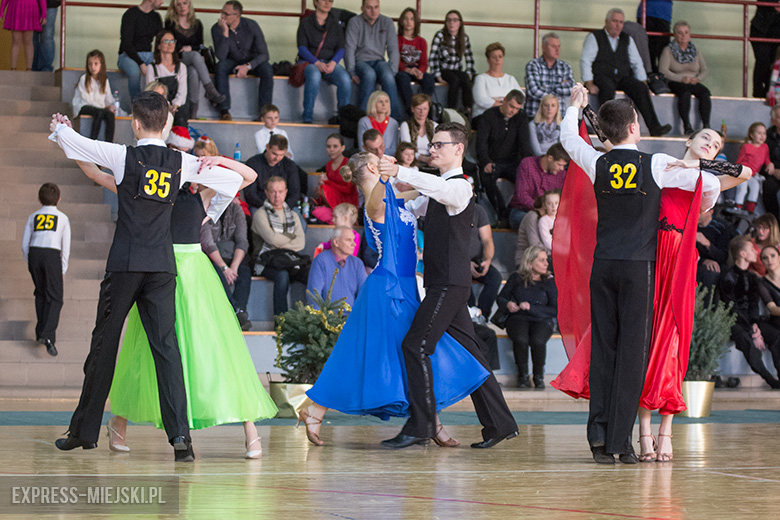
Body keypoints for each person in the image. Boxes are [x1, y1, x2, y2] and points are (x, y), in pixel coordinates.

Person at [48, 91, 252, 461]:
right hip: (162, 266)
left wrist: (60, 128)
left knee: (104, 346)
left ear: (135, 123)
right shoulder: (182, 162)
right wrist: (216, 181)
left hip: (126, 264)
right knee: (167, 350)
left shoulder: (122, 156)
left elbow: (81, 145)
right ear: (165, 125)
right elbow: (239, 180)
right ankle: (181, 439)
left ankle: (83, 432)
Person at [553, 85, 724, 464]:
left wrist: (574, 106)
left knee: (603, 350)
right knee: (632, 355)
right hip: (638, 269)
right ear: (634, 128)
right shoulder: (656, 164)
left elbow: (568, 139)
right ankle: (620, 443)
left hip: (603, 266)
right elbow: (709, 185)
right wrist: (698, 185)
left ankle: (598, 440)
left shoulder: (597, 162)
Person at [76, 161, 273, 459]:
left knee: (215, 347)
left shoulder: (201, 196)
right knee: (145, 350)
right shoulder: (152, 195)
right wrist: (68, 141)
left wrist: (216, 161)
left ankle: (249, 429)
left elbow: (250, 176)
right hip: (159, 272)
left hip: (192, 276)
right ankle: (119, 423)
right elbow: (94, 173)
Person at [302, 151, 490, 447]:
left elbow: (425, 191)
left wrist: (432, 181)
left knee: (413, 354)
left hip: (405, 286)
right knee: (381, 352)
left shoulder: (393, 197)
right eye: (379, 160)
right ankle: (317, 409)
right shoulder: (374, 202)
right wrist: (393, 176)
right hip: (386, 289)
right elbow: (384, 197)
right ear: (373, 167)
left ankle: (430, 422)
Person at [378, 122, 519, 449]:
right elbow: (404, 204)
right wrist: (378, 176)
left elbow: (434, 188)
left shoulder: (461, 187)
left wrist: (400, 170)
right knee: (472, 355)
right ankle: (500, 424)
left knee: (415, 346)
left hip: (449, 284)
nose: (433, 149)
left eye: (440, 144)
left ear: (459, 149)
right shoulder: (436, 190)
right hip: (444, 283)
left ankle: (422, 426)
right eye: (433, 144)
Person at [581, 8, 671, 137]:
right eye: (615, 21)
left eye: (621, 22)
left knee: (640, 88)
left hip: (622, 77)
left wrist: (644, 82)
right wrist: (589, 83)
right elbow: (586, 60)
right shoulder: (595, 37)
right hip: (602, 76)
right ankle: (607, 129)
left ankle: (655, 128)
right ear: (606, 22)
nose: (618, 25)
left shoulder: (627, 39)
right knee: (607, 88)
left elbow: (636, 62)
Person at [719, 236, 780, 389]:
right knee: (746, 340)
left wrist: (754, 324)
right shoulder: (728, 274)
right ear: (743, 254)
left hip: (751, 321)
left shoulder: (752, 277)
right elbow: (731, 306)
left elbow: (753, 304)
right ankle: (770, 379)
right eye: (752, 249)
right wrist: (751, 329)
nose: (756, 252)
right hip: (733, 320)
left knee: (775, 336)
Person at [497, 246, 557, 389]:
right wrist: (508, 304)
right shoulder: (516, 278)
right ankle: (522, 376)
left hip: (542, 319)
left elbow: (555, 309)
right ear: (530, 263)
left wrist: (532, 307)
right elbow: (501, 298)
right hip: (518, 317)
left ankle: (538, 377)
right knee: (521, 339)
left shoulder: (549, 281)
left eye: (546, 260)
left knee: (537, 340)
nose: (546, 263)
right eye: (541, 260)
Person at [21, 182, 70, 357]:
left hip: (34, 253)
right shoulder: (62, 218)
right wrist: (62, 270)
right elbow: (66, 247)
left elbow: (24, 244)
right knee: (55, 298)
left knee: (41, 293)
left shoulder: (33, 216)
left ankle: (40, 331)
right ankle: (48, 336)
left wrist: (30, 262)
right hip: (51, 254)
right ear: (59, 199)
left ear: (39, 199)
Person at [251, 176, 307, 315]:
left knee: (311, 273)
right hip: (265, 261)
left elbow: (301, 242)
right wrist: (291, 236)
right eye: (273, 192)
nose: (277, 196)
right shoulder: (260, 214)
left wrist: (280, 241)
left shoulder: (293, 215)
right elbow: (272, 240)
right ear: (266, 192)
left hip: (289, 260)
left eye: (281, 191)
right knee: (282, 276)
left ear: (286, 192)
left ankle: (310, 318)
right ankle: (281, 320)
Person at [475, 89, 533, 224]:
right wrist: (486, 161)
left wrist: (529, 164)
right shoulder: (488, 116)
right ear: (504, 100)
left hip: (513, 162)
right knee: (487, 177)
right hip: (493, 161)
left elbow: (524, 144)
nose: (513, 111)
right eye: (511, 106)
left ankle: (519, 211)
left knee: (528, 177)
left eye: (517, 109)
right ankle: (503, 214)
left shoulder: (521, 117)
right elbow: (481, 144)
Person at [211, 0, 273, 121]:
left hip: (252, 61)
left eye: (226, 14)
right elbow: (221, 56)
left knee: (267, 69)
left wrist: (248, 66)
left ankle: (264, 113)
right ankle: (224, 111)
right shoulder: (217, 28)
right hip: (231, 61)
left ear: (237, 15)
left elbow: (264, 54)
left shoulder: (251, 25)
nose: (222, 16)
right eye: (221, 12)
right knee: (220, 66)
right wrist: (225, 33)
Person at [164, 0, 225, 119]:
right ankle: (210, 90)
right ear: (174, 7)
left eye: (185, 3)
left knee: (193, 72)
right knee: (195, 56)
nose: (182, 7)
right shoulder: (170, 23)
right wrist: (184, 48)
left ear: (189, 5)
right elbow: (168, 43)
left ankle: (193, 113)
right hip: (176, 57)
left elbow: (199, 45)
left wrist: (190, 48)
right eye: (178, 4)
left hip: (191, 59)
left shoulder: (197, 24)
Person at [344, 0, 403, 121]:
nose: (373, 11)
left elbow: (393, 49)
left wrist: (393, 71)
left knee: (388, 76)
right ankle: (363, 118)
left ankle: (395, 120)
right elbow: (349, 48)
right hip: (360, 61)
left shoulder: (387, 22)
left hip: (379, 61)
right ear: (362, 8)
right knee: (369, 74)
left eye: (376, 7)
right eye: (369, 7)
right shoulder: (354, 22)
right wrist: (351, 71)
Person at [201, 196, 253, 330]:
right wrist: (224, 268)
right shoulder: (205, 210)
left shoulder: (236, 209)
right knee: (216, 272)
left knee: (244, 271)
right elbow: (208, 244)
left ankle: (240, 309)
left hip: (232, 255)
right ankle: (233, 310)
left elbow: (242, 241)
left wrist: (233, 267)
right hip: (211, 257)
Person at [297, 0, 351, 124]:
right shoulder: (306, 23)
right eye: (324, 0)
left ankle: (343, 118)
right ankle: (307, 117)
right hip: (310, 62)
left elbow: (341, 48)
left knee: (345, 79)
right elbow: (302, 48)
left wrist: (333, 62)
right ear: (315, 2)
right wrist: (316, 63)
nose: (327, 3)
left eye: (330, 1)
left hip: (329, 62)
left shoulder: (335, 24)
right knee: (314, 76)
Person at [659, 21, 711, 135]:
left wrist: (698, 79)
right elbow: (663, 71)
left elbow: (704, 70)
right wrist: (681, 79)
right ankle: (687, 125)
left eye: (686, 32)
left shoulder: (695, 50)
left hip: (693, 81)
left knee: (705, 93)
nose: (683, 36)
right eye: (680, 33)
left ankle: (706, 125)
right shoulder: (668, 50)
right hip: (675, 81)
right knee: (685, 93)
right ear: (675, 35)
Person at [507, 143, 569, 230]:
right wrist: (541, 209)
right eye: (559, 164)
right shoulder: (527, 164)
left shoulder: (561, 174)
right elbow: (521, 196)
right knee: (539, 222)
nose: (562, 169)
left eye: (563, 166)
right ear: (550, 158)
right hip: (521, 211)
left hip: (550, 214)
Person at [307, 226, 366, 309]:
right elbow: (313, 295)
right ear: (336, 242)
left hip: (351, 315)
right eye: (348, 240)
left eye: (353, 240)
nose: (354, 244)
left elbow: (364, 295)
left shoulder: (357, 263)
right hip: (326, 315)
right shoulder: (321, 260)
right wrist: (320, 316)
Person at [117, 0, 163, 107]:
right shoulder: (130, 14)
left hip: (148, 55)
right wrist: (141, 63)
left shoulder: (156, 17)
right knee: (134, 72)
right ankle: (136, 106)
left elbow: (161, 38)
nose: (162, 2)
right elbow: (127, 44)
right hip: (127, 55)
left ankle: (158, 104)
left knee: (162, 68)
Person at [428, 10, 475, 113]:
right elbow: (433, 57)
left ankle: (468, 108)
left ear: (460, 23)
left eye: (455, 20)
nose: (451, 23)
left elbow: (469, 57)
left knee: (466, 80)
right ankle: (451, 110)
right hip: (443, 70)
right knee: (454, 81)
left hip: (456, 70)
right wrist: (438, 76)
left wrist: (469, 72)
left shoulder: (464, 38)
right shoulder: (440, 36)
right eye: (449, 20)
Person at [243, 134, 301, 211]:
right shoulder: (253, 163)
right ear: (267, 147)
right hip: (259, 206)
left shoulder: (290, 165)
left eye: (281, 155)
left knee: (298, 218)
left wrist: (282, 208)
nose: (277, 158)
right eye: (274, 154)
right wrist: (266, 207)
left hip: (286, 206)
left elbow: (295, 193)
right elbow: (250, 194)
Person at [524, 32, 574, 119]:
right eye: (553, 46)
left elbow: (570, 89)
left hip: (558, 118)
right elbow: (534, 91)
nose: (557, 49)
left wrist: (544, 87)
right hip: (535, 117)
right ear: (543, 47)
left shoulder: (565, 67)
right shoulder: (533, 65)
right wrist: (559, 87)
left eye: (559, 46)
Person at [395, 7, 435, 118]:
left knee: (429, 79)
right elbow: (396, 61)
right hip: (403, 70)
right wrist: (407, 69)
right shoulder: (397, 39)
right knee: (402, 79)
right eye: (406, 19)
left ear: (415, 22)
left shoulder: (421, 41)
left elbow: (424, 63)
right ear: (401, 21)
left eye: (412, 19)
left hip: (417, 69)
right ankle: (411, 110)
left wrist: (420, 71)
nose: (409, 21)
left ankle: (424, 107)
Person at [72, 50, 116, 142]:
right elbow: (87, 100)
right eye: (90, 64)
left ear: (101, 65)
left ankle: (109, 144)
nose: (93, 67)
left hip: (99, 108)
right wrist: (102, 107)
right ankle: (93, 140)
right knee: (99, 112)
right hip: (83, 106)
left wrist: (109, 106)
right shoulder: (84, 79)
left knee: (110, 115)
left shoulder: (104, 80)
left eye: (96, 64)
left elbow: (108, 98)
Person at [472, 42, 521, 124]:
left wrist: (496, 100)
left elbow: (521, 97)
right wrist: (505, 102)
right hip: (484, 116)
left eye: (500, 56)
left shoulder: (510, 79)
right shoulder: (481, 78)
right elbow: (480, 99)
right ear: (488, 60)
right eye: (494, 57)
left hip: (507, 116)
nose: (497, 60)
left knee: (522, 119)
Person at [467, 203, 501, 320]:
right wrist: (465, 263)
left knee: (495, 277)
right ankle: (470, 315)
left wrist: (487, 260)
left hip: (477, 259)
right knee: (461, 274)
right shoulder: (450, 209)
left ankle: (482, 316)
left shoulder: (478, 210)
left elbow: (487, 240)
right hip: (457, 261)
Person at [146, 29, 188, 120]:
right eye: (166, 41)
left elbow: (182, 92)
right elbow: (151, 92)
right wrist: (166, 106)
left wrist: (175, 105)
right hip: (158, 105)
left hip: (176, 107)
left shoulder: (181, 67)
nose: (170, 44)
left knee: (181, 115)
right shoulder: (152, 68)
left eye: (172, 41)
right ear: (158, 45)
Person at [315, 133, 357, 220]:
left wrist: (327, 182)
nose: (331, 149)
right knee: (319, 189)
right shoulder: (328, 165)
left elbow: (348, 190)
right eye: (328, 147)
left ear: (343, 148)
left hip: (348, 200)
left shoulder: (347, 164)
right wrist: (323, 183)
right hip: (335, 198)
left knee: (323, 189)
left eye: (335, 146)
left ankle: (338, 215)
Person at [736, 122, 774, 213]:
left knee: (755, 187)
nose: (762, 136)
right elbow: (738, 162)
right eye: (759, 133)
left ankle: (750, 211)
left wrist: (769, 164)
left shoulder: (765, 147)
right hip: (743, 174)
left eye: (764, 133)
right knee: (743, 188)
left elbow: (766, 158)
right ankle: (737, 208)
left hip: (753, 176)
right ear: (752, 135)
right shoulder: (746, 147)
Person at [1, 0, 46, 70]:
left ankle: (29, 69)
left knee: (28, 41)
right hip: (16, 8)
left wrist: (44, 14)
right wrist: (1, 11)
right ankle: (13, 68)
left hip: (30, 9)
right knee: (16, 40)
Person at [696, 207, 735, 288]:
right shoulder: (690, 224)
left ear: (710, 212)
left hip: (712, 267)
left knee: (712, 272)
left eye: (700, 212)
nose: (696, 214)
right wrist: (703, 261)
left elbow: (723, 256)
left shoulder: (720, 228)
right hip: (696, 261)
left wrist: (708, 244)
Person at [750, 0, 780, 98]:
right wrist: (776, 5)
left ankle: (769, 92)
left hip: (776, 32)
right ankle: (757, 93)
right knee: (763, 60)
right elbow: (762, 3)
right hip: (760, 30)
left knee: (773, 63)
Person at [357, 90, 399, 156]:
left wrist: (382, 156)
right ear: (373, 103)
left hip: (388, 159)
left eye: (386, 101)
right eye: (380, 101)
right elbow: (362, 148)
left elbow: (394, 149)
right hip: (369, 159)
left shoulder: (394, 123)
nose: (384, 104)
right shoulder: (364, 122)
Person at [399, 93, 436, 167]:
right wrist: (424, 159)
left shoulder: (435, 126)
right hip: (411, 163)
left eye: (425, 109)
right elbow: (406, 150)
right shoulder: (406, 125)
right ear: (412, 109)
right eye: (418, 109)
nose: (422, 112)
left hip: (432, 163)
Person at [636, 0, 672, 73]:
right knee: (646, 51)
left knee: (662, 52)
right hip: (647, 12)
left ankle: (658, 77)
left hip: (663, 14)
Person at [514, 195, 545, 269]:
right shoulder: (532, 216)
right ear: (545, 204)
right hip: (526, 262)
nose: (554, 207)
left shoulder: (552, 218)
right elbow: (535, 246)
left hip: (544, 259)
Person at [31, 0, 57, 71]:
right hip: (30, 3)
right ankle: (32, 68)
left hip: (50, 4)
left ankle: (45, 69)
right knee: (31, 37)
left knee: (47, 35)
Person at [538, 189, 560, 254]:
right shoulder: (544, 220)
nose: (553, 206)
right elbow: (547, 241)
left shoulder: (564, 220)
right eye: (550, 203)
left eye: (556, 203)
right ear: (544, 205)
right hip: (551, 253)